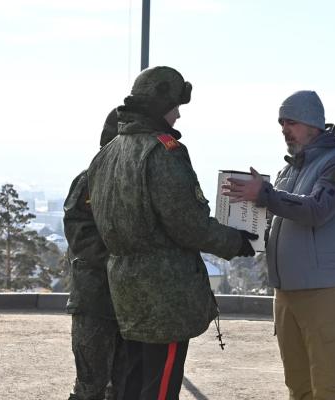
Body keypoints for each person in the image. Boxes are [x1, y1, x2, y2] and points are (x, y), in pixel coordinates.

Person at [86, 66, 257, 399]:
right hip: (163, 294)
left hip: (124, 288)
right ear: (161, 102)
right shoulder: (163, 152)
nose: (178, 115)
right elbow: (187, 224)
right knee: (160, 386)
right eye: (176, 106)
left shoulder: (106, 154)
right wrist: (235, 241)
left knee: (131, 381)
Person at [222, 90, 335, 400]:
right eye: (281, 123)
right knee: (298, 386)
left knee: (330, 387)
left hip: (324, 293)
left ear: (313, 123)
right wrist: (246, 231)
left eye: (291, 122)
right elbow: (279, 217)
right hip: (286, 293)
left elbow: (316, 210)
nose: (284, 129)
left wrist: (265, 194)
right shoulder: (291, 169)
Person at [64, 108, 126, 400]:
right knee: (90, 386)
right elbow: (79, 233)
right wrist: (118, 261)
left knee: (125, 386)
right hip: (94, 299)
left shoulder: (142, 181)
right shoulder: (90, 180)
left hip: (132, 302)